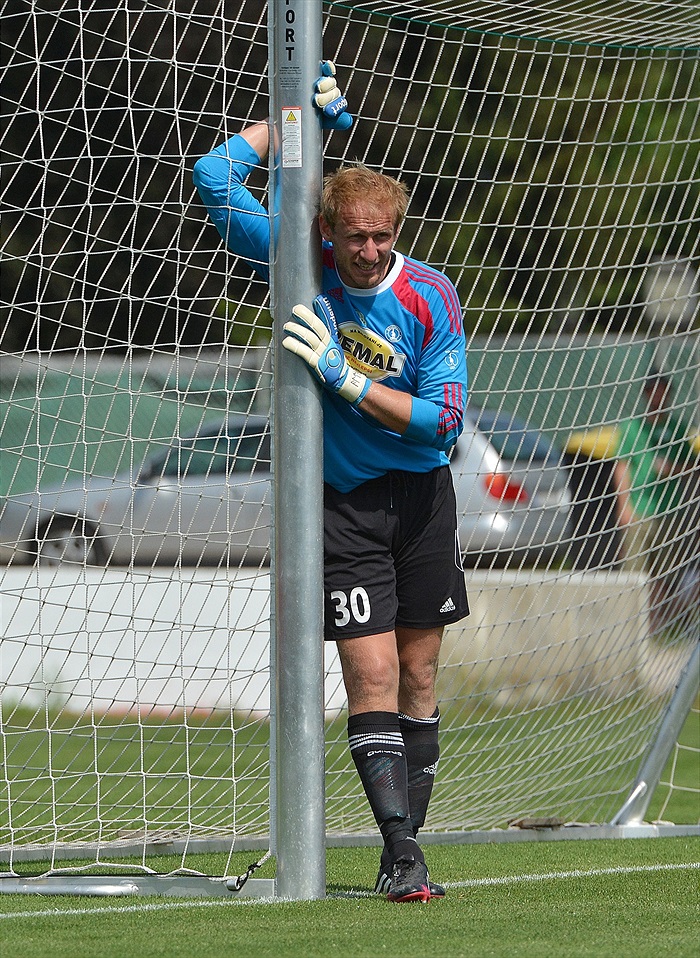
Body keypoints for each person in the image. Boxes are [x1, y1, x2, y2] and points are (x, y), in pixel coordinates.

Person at [193, 63, 469, 903]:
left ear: (396, 233)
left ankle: (402, 849)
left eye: (382, 237)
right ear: (329, 230)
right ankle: (404, 852)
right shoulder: (298, 259)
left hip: (422, 502)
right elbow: (212, 175)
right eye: (353, 236)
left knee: (420, 680)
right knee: (372, 677)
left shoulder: (430, 297)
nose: (369, 250)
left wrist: (349, 382)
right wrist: (294, 131)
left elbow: (444, 422)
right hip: (344, 506)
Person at [613, 371, 699, 635]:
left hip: (669, 511)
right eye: (653, 392)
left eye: (663, 391)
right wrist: (624, 507)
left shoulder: (678, 429)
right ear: (646, 395)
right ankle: (635, 629)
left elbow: (692, 467)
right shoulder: (631, 427)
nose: (658, 397)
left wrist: (671, 468)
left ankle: (661, 627)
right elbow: (622, 466)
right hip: (640, 510)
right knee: (636, 574)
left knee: (666, 573)